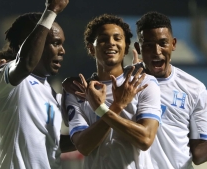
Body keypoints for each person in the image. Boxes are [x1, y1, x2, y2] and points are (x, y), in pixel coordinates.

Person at [132, 11, 207, 169]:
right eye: (148, 45)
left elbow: (198, 154)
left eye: (163, 43)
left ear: (173, 44)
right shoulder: (123, 83)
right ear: (138, 47)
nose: (157, 51)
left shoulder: (194, 89)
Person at [64, 14, 162, 169]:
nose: (111, 43)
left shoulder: (144, 83)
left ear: (126, 47)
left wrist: (101, 109)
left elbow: (145, 139)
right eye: (103, 39)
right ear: (91, 48)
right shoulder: (77, 91)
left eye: (117, 38)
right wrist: (117, 106)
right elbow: (83, 146)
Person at [0, 0, 72, 168]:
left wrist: (105, 123)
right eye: (55, 43)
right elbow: (26, 63)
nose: (62, 51)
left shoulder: (52, 92)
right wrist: (51, 11)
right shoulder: (7, 77)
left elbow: (52, 144)